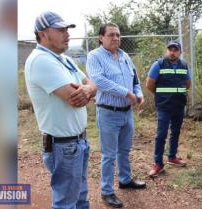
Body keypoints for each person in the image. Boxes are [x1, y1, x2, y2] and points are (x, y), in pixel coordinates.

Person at [24, 11, 97, 209]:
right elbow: (74, 99)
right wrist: (88, 91)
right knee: (66, 203)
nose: (67, 34)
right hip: (63, 147)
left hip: (77, 142)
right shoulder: (41, 60)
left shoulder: (64, 59)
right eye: (61, 30)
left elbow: (91, 84)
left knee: (81, 198)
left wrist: (89, 89)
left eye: (67, 29)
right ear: (44, 34)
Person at [86, 23, 146, 208]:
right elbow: (99, 81)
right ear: (100, 38)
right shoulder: (94, 56)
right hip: (108, 112)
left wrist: (139, 93)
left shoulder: (125, 56)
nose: (116, 38)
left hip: (126, 113)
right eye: (111, 35)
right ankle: (107, 191)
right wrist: (126, 93)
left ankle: (125, 180)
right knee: (109, 154)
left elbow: (134, 79)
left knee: (125, 150)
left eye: (118, 35)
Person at [146, 40, 191, 177]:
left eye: (175, 50)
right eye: (170, 49)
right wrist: (161, 95)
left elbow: (187, 84)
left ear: (180, 52)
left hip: (179, 104)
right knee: (161, 134)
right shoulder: (158, 64)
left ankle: (172, 157)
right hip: (164, 105)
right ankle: (158, 163)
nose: (172, 52)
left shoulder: (184, 65)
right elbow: (149, 84)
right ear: (167, 51)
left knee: (176, 131)